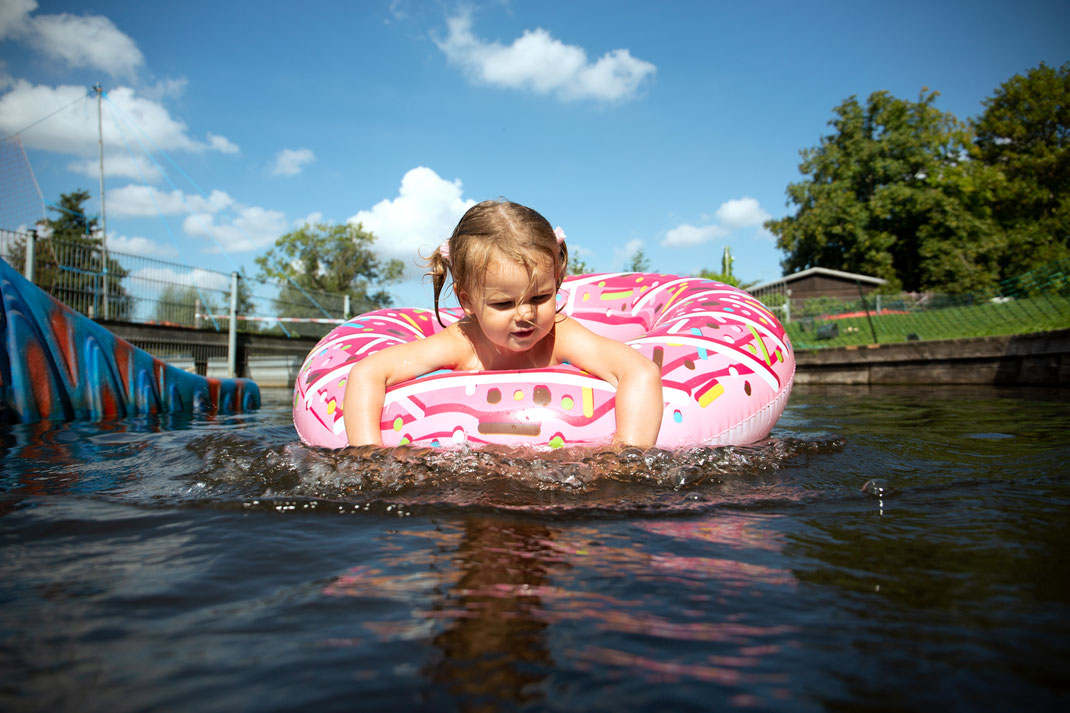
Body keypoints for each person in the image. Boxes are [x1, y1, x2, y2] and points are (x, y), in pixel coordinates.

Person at [342, 199, 664, 447]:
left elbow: (640, 371)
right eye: (503, 303)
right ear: (467, 301)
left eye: (540, 298)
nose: (525, 315)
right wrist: (369, 454)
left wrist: (627, 456)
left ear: (557, 281)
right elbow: (368, 372)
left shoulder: (560, 334)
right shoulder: (462, 343)